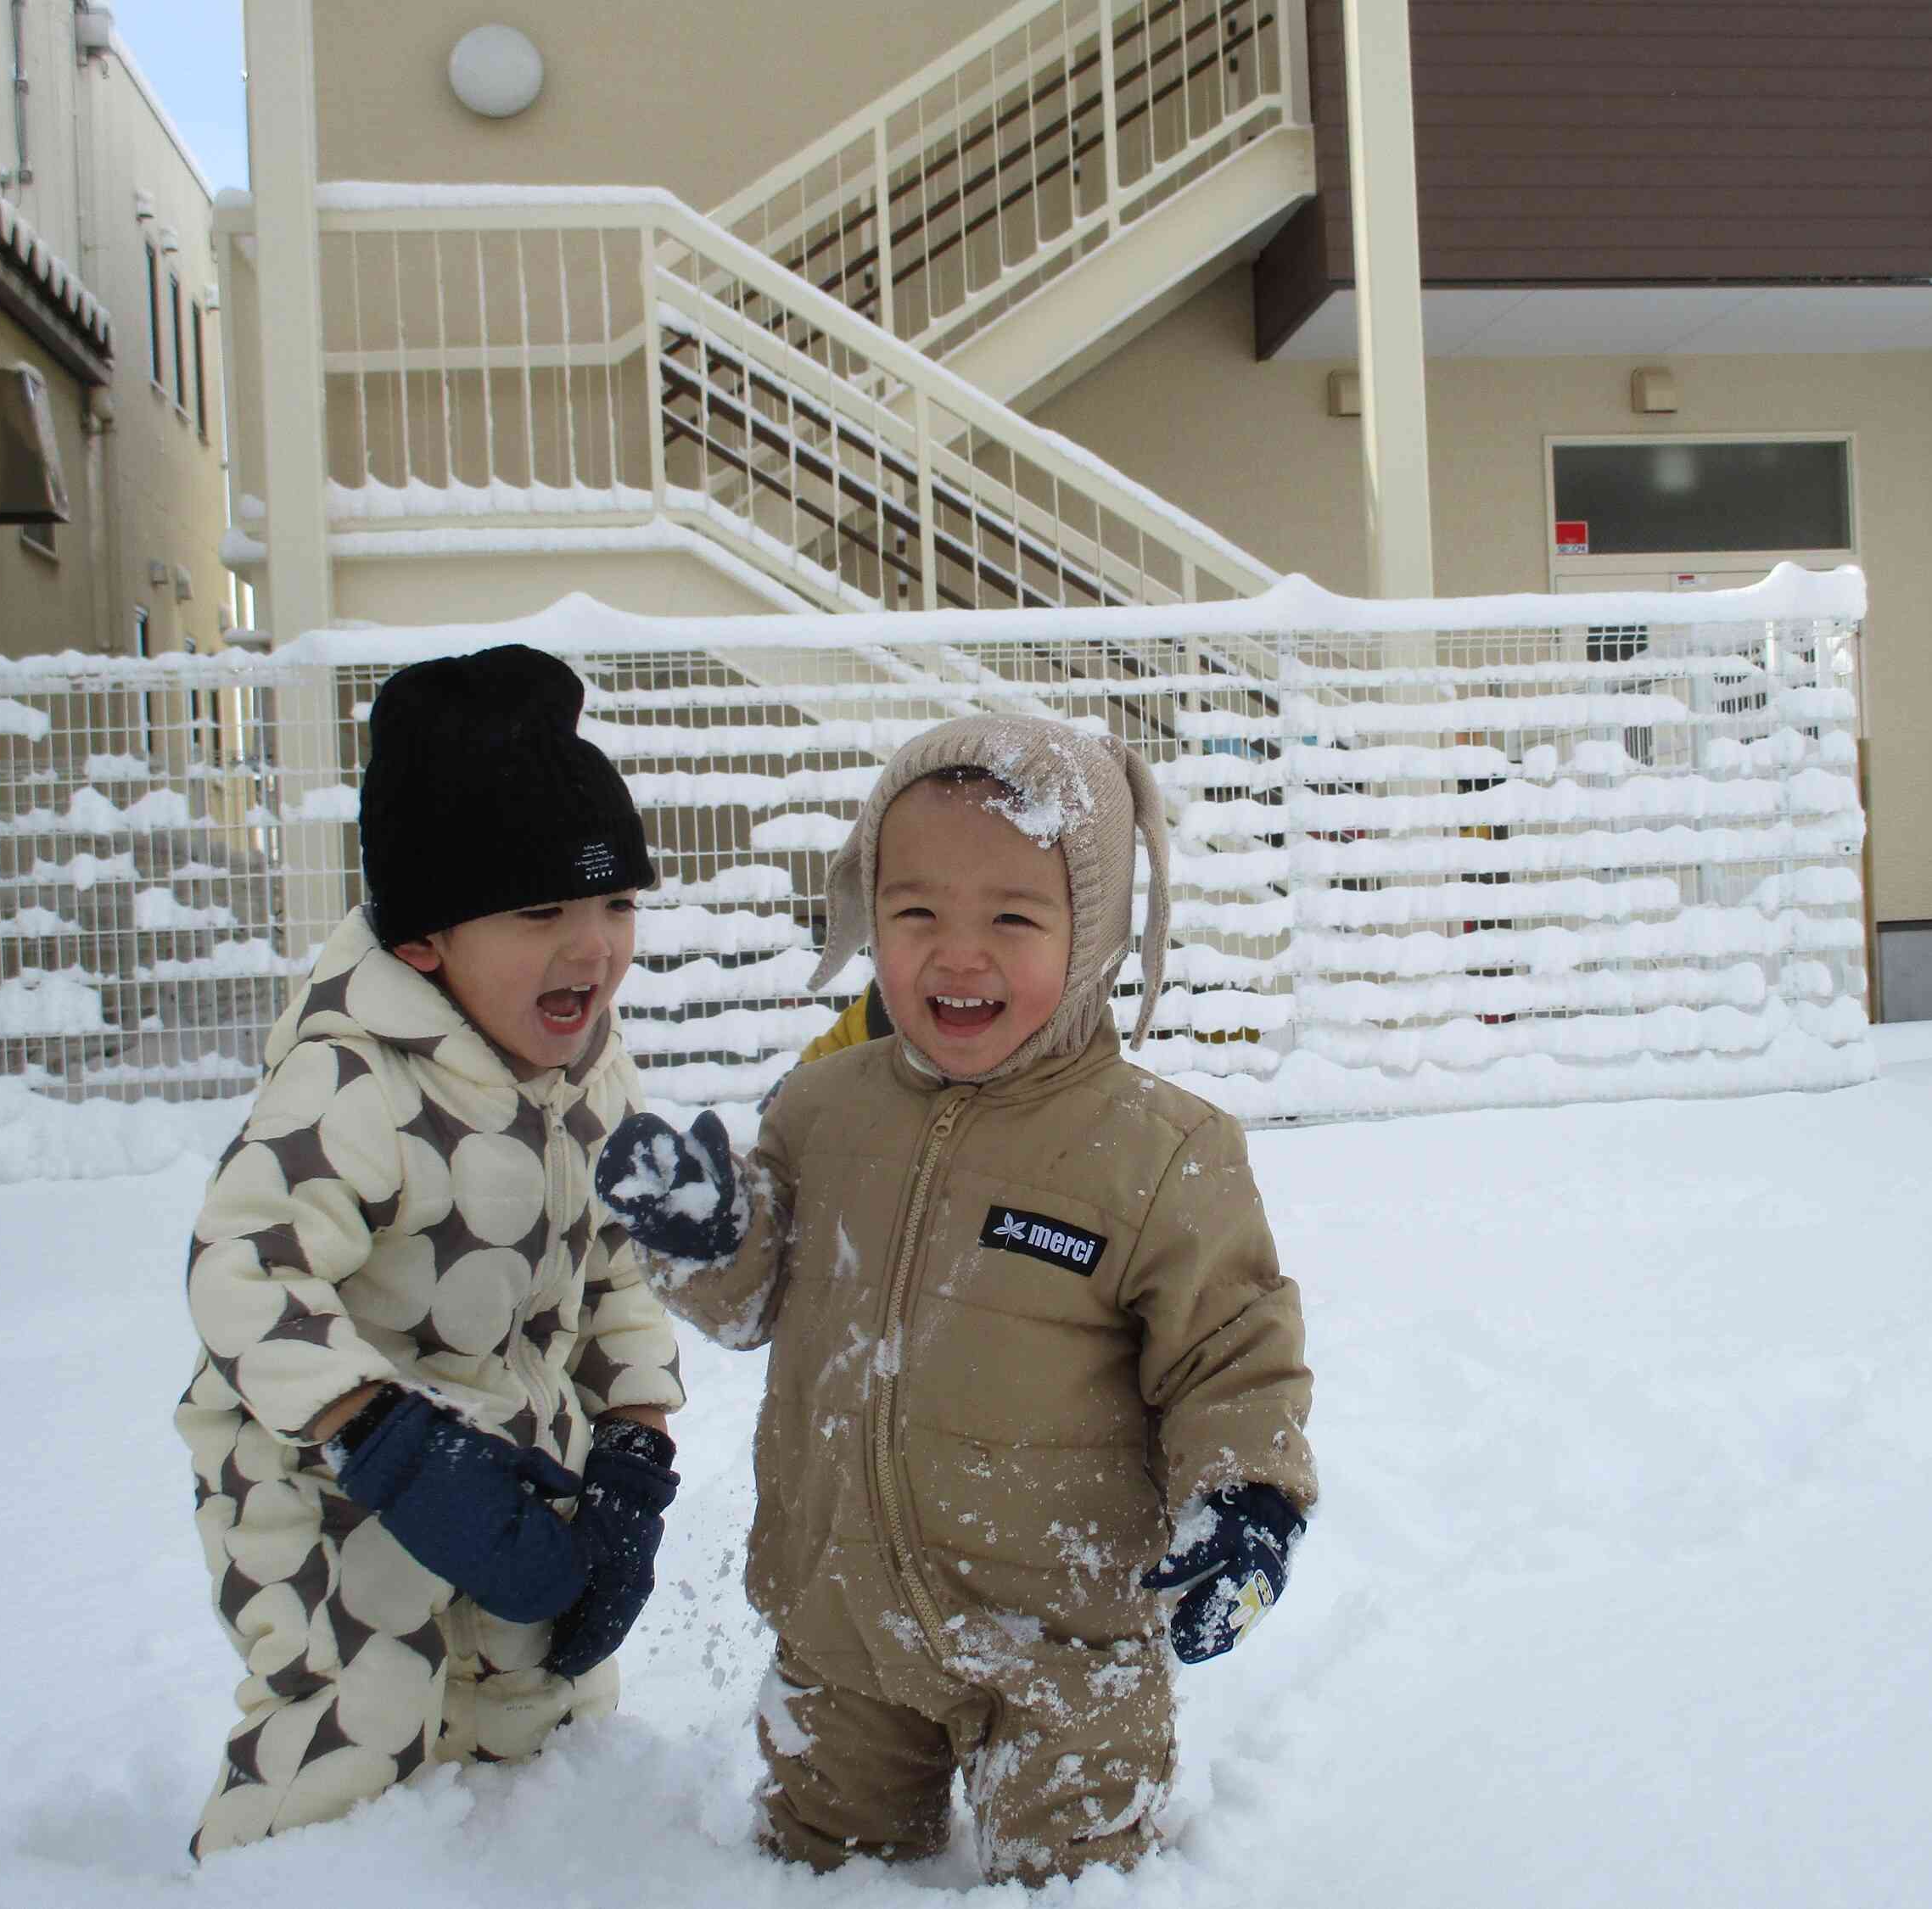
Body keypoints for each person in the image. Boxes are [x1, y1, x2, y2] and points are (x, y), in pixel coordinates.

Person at [596, 714, 1315, 1884]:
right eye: (917, 912)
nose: (957, 955)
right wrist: (708, 1234)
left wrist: (1248, 1500)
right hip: (841, 1623)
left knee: (1076, 1877)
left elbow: (1232, 1356)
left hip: (1067, 1641)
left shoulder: (1160, 1150)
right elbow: (755, 1300)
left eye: (1013, 919)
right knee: (815, 1872)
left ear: (1092, 934)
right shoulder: (822, 1109)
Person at [175, 645, 688, 1857]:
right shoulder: (353, 1076)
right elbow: (244, 1266)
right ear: (422, 941)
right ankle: (281, 1877)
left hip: (522, 1464)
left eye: (616, 903)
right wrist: (389, 1442)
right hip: (328, 1472)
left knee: (540, 1715)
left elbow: (618, 1274)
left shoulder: (593, 1072)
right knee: (365, 1720)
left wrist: (635, 1455)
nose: (593, 948)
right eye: (540, 910)